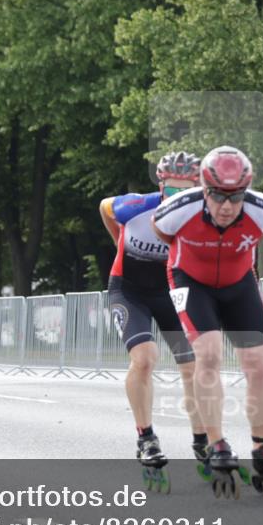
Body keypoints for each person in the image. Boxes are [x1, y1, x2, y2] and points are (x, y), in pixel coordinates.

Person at [152, 145, 263, 496]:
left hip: (238, 283)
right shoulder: (176, 211)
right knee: (209, 354)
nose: (227, 206)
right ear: (204, 190)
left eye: (236, 197)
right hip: (189, 280)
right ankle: (217, 443)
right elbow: (163, 235)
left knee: (257, 364)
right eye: (218, 196)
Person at [99, 151, 206, 477]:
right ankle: (146, 438)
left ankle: (203, 441)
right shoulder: (138, 206)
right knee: (145, 358)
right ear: (161, 186)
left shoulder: (202, 213)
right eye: (172, 191)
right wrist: (120, 239)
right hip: (129, 289)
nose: (178, 197)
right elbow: (105, 206)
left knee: (193, 365)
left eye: (186, 191)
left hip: (172, 293)